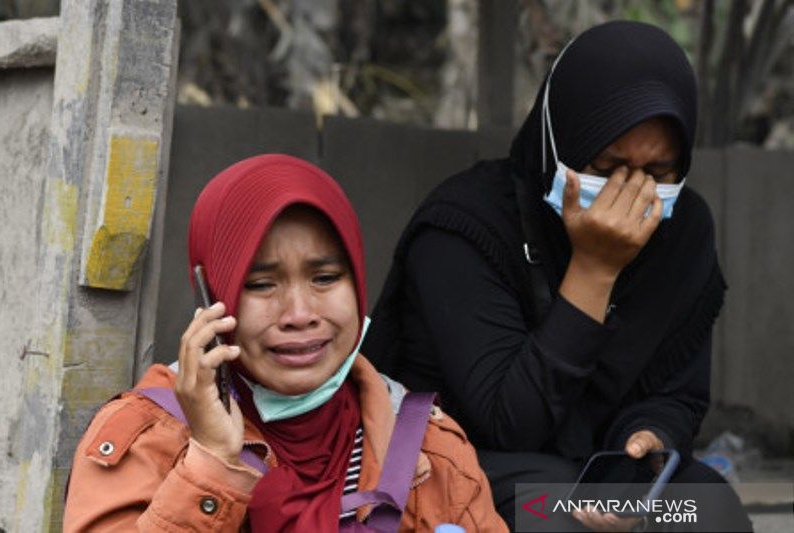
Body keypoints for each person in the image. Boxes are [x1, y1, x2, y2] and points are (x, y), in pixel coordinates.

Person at [363, 21, 753, 532]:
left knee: (707, 509)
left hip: (602, 468)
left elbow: (679, 394)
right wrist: (594, 268)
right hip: (460, 469)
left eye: (658, 174)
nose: (630, 193)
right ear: (557, 144)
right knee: (554, 517)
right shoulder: (465, 227)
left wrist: (648, 439)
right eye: (608, 166)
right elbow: (509, 421)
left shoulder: (685, 230)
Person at [64, 154, 507, 532]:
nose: (299, 314)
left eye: (326, 278)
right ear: (211, 297)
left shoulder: (430, 447)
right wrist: (211, 462)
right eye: (260, 284)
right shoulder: (145, 438)